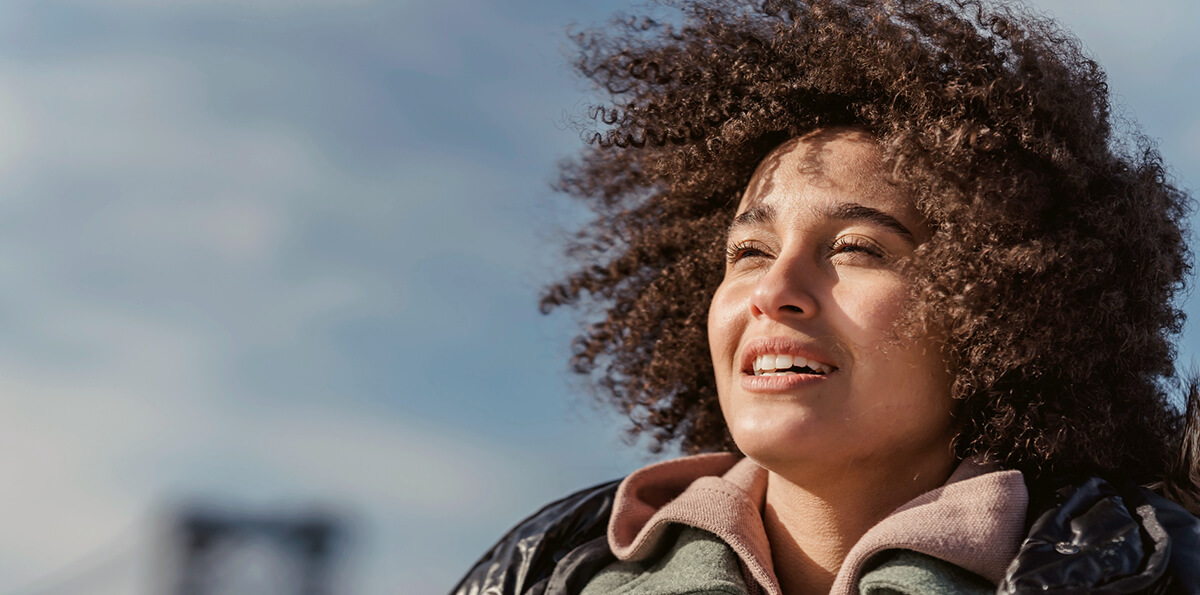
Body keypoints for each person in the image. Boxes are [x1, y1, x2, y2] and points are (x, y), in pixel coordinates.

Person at [453, 0, 1200, 593]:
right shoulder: (541, 575)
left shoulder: (1158, 576)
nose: (774, 292)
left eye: (856, 248)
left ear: (1007, 311)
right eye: (749, 252)